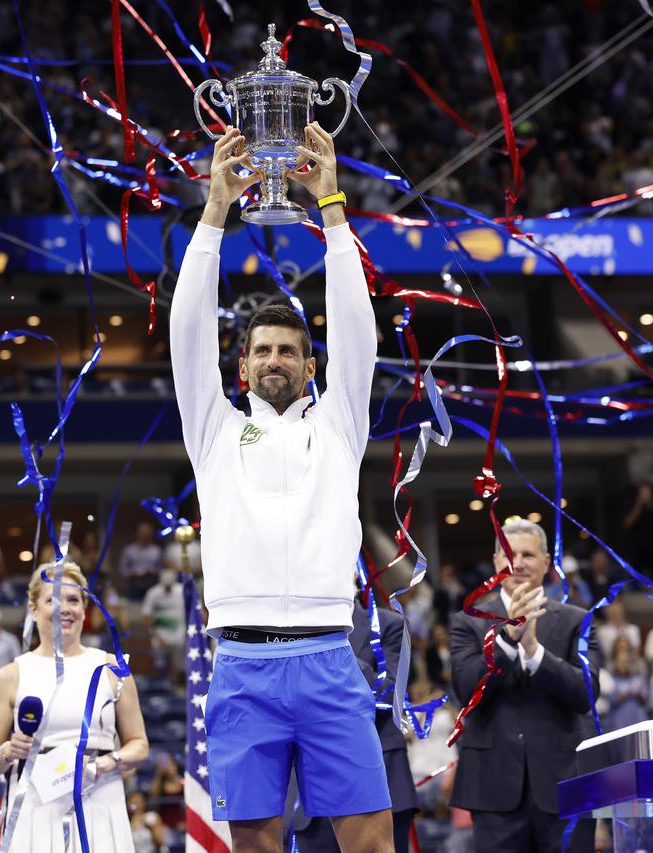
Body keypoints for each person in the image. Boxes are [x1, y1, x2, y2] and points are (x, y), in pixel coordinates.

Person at [171, 122, 390, 851]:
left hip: (329, 653)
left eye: (289, 349)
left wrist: (330, 207)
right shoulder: (214, 430)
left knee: (369, 842)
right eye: (261, 349)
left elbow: (359, 330)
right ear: (242, 368)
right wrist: (212, 215)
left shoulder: (338, 425)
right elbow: (187, 332)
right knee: (256, 844)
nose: (274, 358)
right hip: (240, 663)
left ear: (310, 366)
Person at [449, 520, 598, 853]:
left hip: (565, 785)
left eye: (528, 554)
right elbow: (466, 692)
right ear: (496, 561)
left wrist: (534, 651)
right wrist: (507, 640)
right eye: (509, 554)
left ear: (547, 562)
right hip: (493, 787)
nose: (517, 563)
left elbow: (585, 694)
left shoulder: (577, 620)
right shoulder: (468, 621)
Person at [0, 563, 149, 851]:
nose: (65, 608)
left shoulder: (112, 668)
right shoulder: (11, 675)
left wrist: (102, 765)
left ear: (85, 608)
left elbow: (140, 745)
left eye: (73, 599)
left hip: (101, 801)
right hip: (35, 807)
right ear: (33, 609)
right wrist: (9, 750)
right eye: (52, 599)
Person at [294, 595, 418, 853]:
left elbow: (392, 695)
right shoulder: (289, 629)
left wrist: (333, 650)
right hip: (311, 791)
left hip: (382, 782)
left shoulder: (387, 623)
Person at [140, 569, 186, 678]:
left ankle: (179, 687)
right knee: (159, 665)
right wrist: (157, 636)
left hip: (179, 634)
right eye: (165, 585)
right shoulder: (153, 593)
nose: (168, 588)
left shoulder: (181, 591)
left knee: (181, 666)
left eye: (170, 585)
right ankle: (160, 687)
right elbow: (146, 617)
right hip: (160, 635)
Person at [117, 520, 163, 601]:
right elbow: (122, 569)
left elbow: (162, 568)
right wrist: (133, 573)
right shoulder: (129, 550)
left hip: (152, 584)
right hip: (135, 584)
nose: (145, 535)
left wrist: (154, 571)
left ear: (151, 534)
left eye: (147, 533)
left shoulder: (157, 550)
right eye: (143, 532)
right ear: (137, 533)